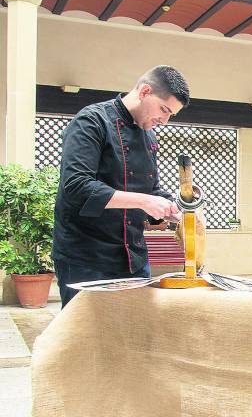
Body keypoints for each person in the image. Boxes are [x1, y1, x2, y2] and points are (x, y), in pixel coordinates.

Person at [52, 65, 190, 307]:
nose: (165, 120)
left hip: (133, 258)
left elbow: (151, 189)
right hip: (86, 257)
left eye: (171, 115)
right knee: (86, 338)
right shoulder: (92, 121)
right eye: (164, 110)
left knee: (134, 334)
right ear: (145, 91)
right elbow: (77, 186)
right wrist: (144, 201)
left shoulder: (149, 136)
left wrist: (175, 210)